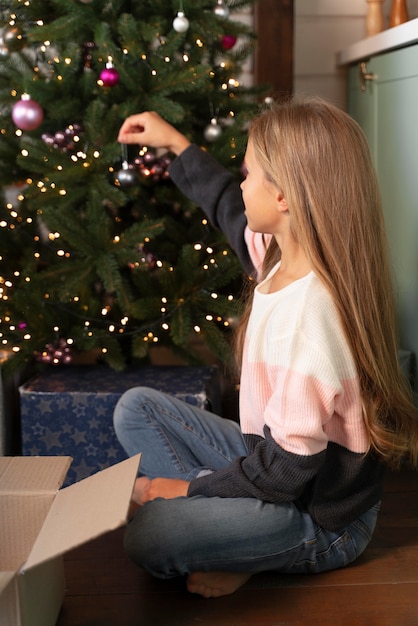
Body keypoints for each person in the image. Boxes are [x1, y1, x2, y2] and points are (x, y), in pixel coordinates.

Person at [114, 98, 418, 599]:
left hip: (323, 516)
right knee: (136, 409)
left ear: (284, 198)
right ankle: (235, 529)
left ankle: (250, 543)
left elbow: (287, 472)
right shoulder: (278, 258)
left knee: (150, 535)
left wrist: (183, 489)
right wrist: (177, 145)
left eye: (248, 172)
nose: (240, 183)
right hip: (278, 469)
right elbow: (228, 208)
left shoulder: (313, 319)